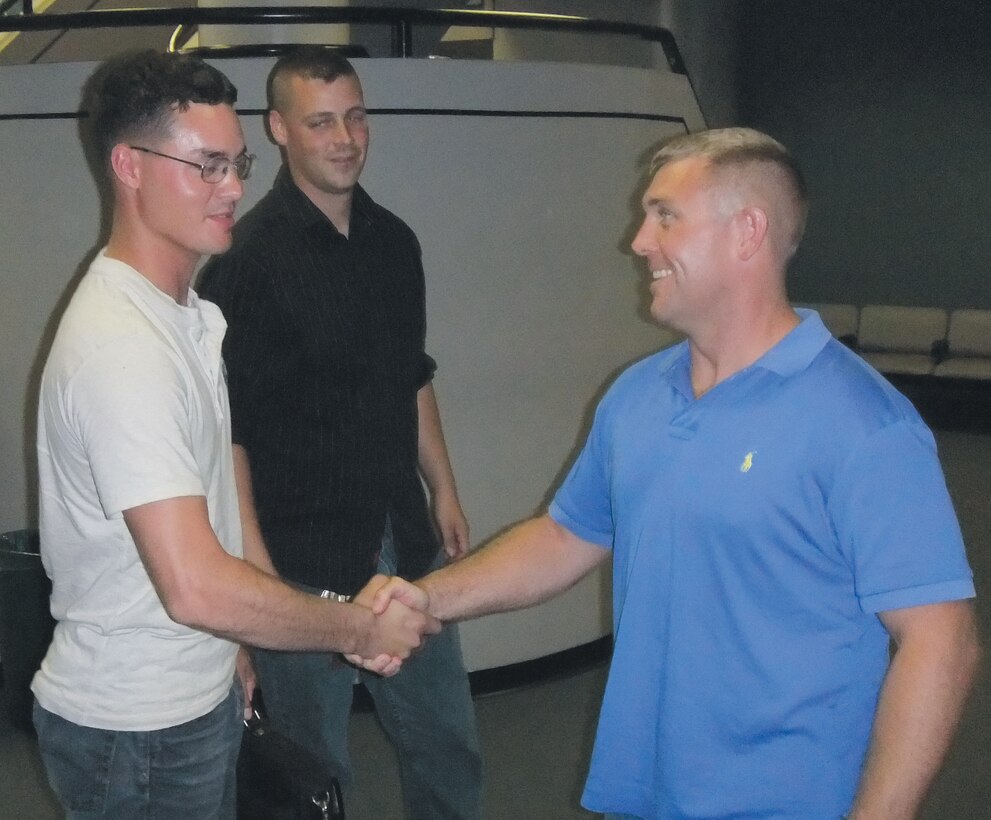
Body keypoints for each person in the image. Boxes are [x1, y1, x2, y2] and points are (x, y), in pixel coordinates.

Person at [365, 127, 982, 819]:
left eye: (665, 216)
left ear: (746, 231)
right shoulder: (635, 395)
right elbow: (566, 537)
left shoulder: (862, 423)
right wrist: (430, 600)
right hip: (645, 789)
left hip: (788, 800)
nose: (637, 240)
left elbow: (940, 641)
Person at [32, 49, 438, 820]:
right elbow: (194, 586)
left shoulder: (189, 316)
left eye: (237, 163)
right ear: (130, 165)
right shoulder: (125, 349)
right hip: (138, 730)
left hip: (199, 689)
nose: (234, 188)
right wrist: (356, 624)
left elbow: (223, 499)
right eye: (206, 166)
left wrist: (243, 645)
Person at [197, 47, 482, 818]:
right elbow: (231, 438)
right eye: (321, 121)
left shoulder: (395, 242)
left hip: (402, 539)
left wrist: (442, 488)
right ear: (279, 129)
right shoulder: (245, 263)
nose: (344, 137)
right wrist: (253, 582)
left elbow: (409, 374)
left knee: (446, 741)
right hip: (301, 559)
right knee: (314, 770)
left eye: (354, 116)